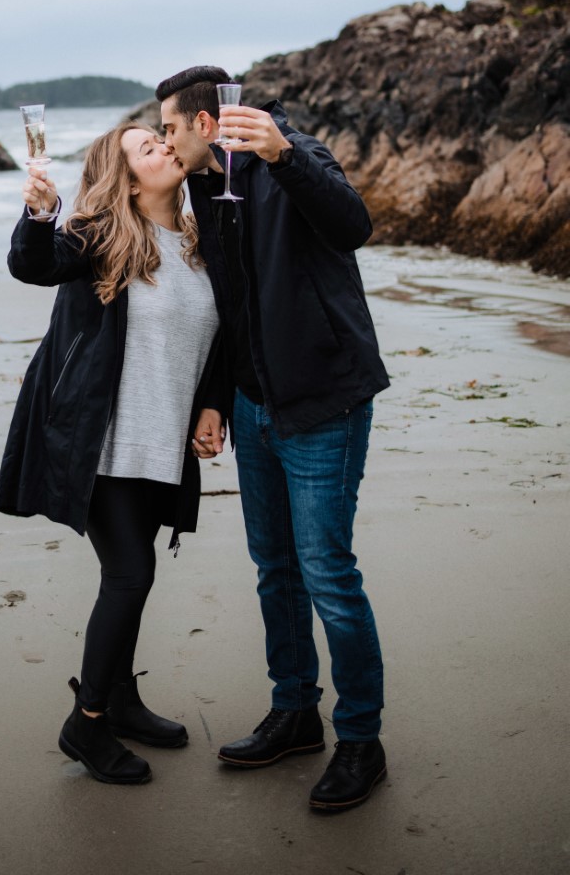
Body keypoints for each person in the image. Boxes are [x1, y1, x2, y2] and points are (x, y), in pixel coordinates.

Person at [157, 66, 391, 813]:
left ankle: (361, 740)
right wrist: (218, 401)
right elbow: (232, 304)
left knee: (328, 573)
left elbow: (354, 227)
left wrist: (286, 155)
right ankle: (295, 712)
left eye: (168, 128)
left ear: (203, 123)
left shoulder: (297, 152)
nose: (164, 141)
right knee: (275, 570)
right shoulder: (206, 188)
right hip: (257, 405)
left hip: (324, 400)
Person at [0, 121, 225, 786]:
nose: (161, 147)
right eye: (145, 148)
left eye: (160, 138)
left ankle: (120, 697)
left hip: (162, 441)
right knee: (131, 574)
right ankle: (87, 722)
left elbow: (219, 338)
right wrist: (39, 214)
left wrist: (215, 404)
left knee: (134, 570)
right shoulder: (98, 238)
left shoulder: (199, 242)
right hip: (99, 442)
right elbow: (32, 265)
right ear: (124, 177)